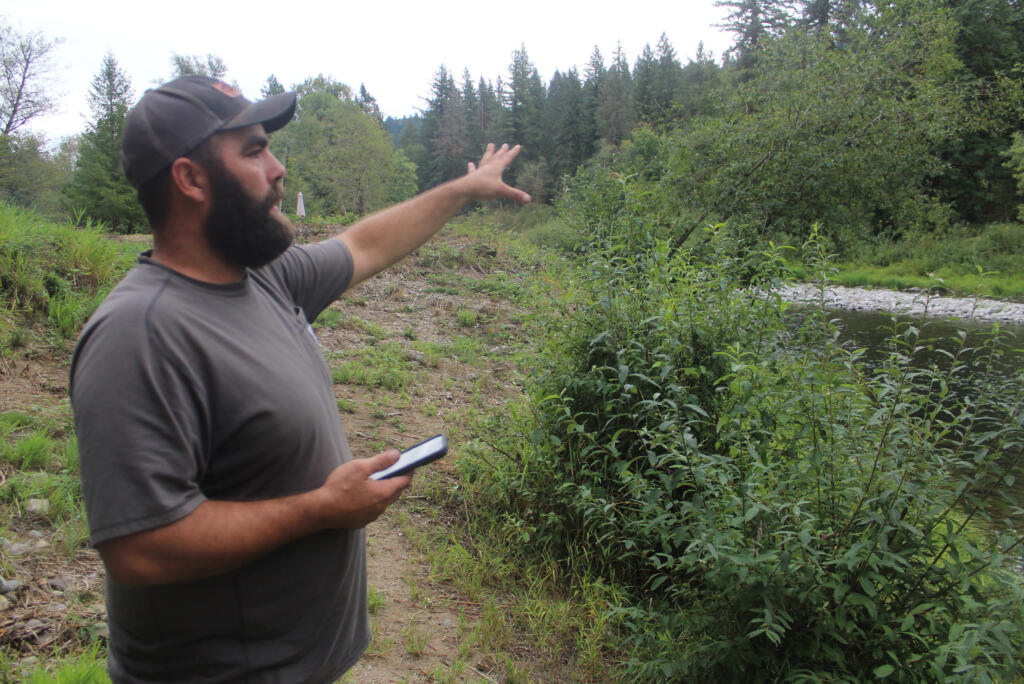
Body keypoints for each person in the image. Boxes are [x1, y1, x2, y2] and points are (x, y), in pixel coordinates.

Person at [69, 75, 530, 683]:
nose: (279, 169)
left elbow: (363, 245)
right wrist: (320, 509)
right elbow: (139, 549)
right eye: (255, 151)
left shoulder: (261, 277)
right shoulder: (142, 333)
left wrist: (462, 190)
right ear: (191, 178)